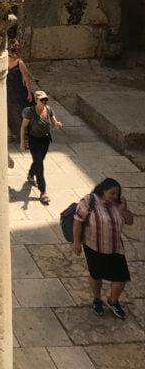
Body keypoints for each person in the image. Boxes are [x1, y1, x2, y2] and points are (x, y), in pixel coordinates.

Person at [73, 177, 135, 319]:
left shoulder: (117, 204)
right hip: (94, 245)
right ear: (103, 190)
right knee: (96, 274)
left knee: (122, 277)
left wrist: (124, 210)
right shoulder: (90, 201)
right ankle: (97, 299)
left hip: (115, 247)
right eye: (112, 193)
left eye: (117, 194)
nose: (115, 196)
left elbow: (130, 221)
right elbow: (77, 221)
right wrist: (76, 242)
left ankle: (113, 300)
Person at [20, 90, 62, 205]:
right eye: (42, 100)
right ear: (36, 100)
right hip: (34, 140)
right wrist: (22, 142)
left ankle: (30, 174)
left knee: (39, 161)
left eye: (45, 99)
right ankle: (43, 191)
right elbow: (23, 127)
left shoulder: (48, 109)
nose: (44, 102)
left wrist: (57, 124)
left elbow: (54, 122)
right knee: (40, 164)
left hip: (45, 140)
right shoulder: (30, 112)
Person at [6, 39, 33, 142]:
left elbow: (26, 78)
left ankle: (16, 135)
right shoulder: (17, 62)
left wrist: (29, 93)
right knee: (13, 112)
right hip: (11, 91)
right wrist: (29, 93)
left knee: (14, 112)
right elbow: (26, 79)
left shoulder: (18, 63)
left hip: (14, 91)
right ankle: (14, 134)